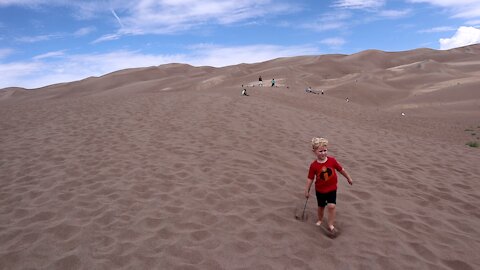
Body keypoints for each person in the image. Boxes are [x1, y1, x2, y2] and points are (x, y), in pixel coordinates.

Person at [304, 137, 353, 235]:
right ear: (314, 151)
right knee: (321, 207)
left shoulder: (332, 160)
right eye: (320, 151)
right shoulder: (313, 165)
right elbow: (310, 178)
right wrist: (306, 190)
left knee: (331, 206)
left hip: (332, 189)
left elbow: (341, 169)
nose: (323, 153)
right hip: (320, 190)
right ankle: (320, 219)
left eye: (325, 150)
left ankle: (331, 224)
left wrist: (348, 177)